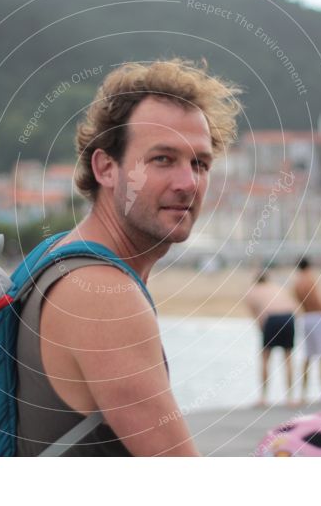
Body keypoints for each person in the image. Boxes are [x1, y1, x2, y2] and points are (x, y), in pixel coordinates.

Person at [15, 59, 241, 456]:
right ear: (106, 168)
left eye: (199, 164)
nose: (188, 183)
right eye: (163, 159)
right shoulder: (102, 295)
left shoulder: (53, 257)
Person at [245, 268, 298, 407]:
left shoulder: (253, 291)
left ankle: (263, 397)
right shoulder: (276, 287)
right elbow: (293, 305)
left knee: (265, 359)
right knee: (288, 358)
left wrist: (264, 330)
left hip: (272, 318)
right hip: (288, 316)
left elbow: (257, 317)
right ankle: (290, 398)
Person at [293, 257, 321, 404]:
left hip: (305, 318)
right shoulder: (310, 280)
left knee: (307, 356)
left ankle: (303, 394)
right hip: (317, 318)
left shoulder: (297, 283)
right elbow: (317, 301)